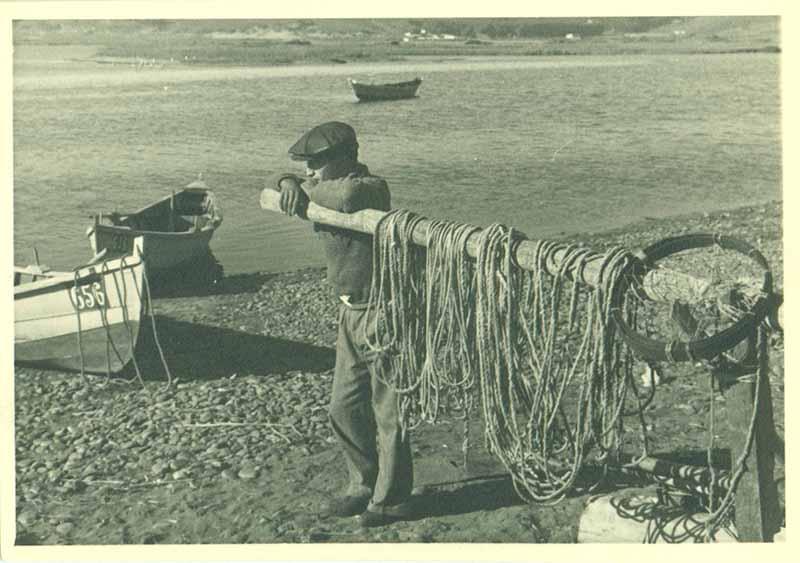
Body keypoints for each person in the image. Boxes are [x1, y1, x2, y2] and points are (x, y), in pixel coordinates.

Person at [269, 121, 414, 528]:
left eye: (317, 163)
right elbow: (281, 181)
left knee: (389, 410)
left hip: (383, 309)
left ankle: (392, 499)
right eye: (308, 166)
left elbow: (347, 195)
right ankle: (363, 482)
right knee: (343, 407)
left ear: (345, 157)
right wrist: (286, 180)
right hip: (350, 310)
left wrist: (300, 189)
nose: (311, 170)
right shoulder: (323, 187)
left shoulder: (369, 187)